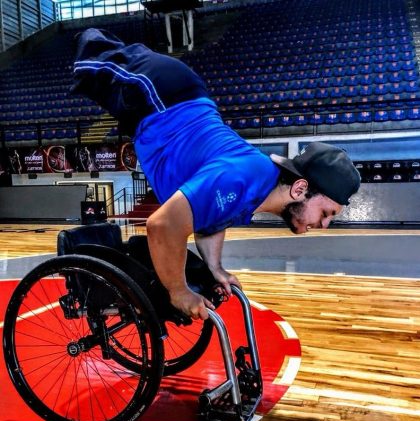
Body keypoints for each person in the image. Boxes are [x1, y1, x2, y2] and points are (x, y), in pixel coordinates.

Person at [72, 28, 361, 320]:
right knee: (89, 62)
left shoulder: (259, 188)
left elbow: (212, 218)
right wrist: (178, 291)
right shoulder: (241, 178)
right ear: (299, 189)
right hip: (162, 92)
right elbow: (162, 226)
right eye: (326, 213)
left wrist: (216, 268)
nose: (324, 225)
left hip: (172, 107)